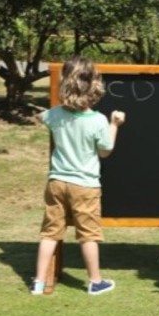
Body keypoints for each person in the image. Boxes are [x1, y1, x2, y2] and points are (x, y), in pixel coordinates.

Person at [30, 56, 125, 296]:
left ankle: (39, 282)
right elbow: (105, 151)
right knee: (88, 235)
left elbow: (41, 117)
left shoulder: (55, 115)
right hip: (85, 186)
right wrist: (115, 124)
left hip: (57, 182)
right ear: (94, 85)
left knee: (50, 233)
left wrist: (42, 115)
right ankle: (95, 281)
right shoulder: (98, 121)